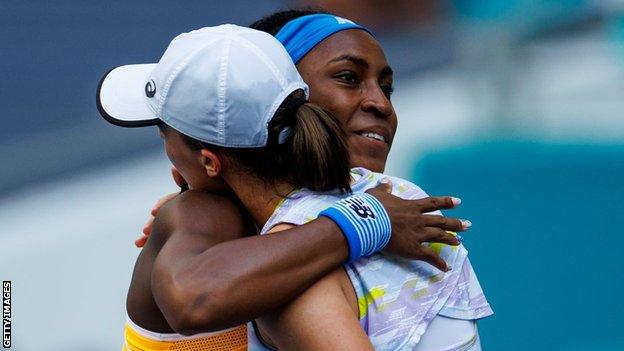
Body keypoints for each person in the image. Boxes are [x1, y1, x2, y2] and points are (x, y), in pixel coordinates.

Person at [97, 24, 472, 351]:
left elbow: (193, 301)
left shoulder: (214, 220)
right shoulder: (389, 197)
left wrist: (362, 222)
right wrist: (365, 221)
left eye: (166, 137)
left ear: (210, 162)